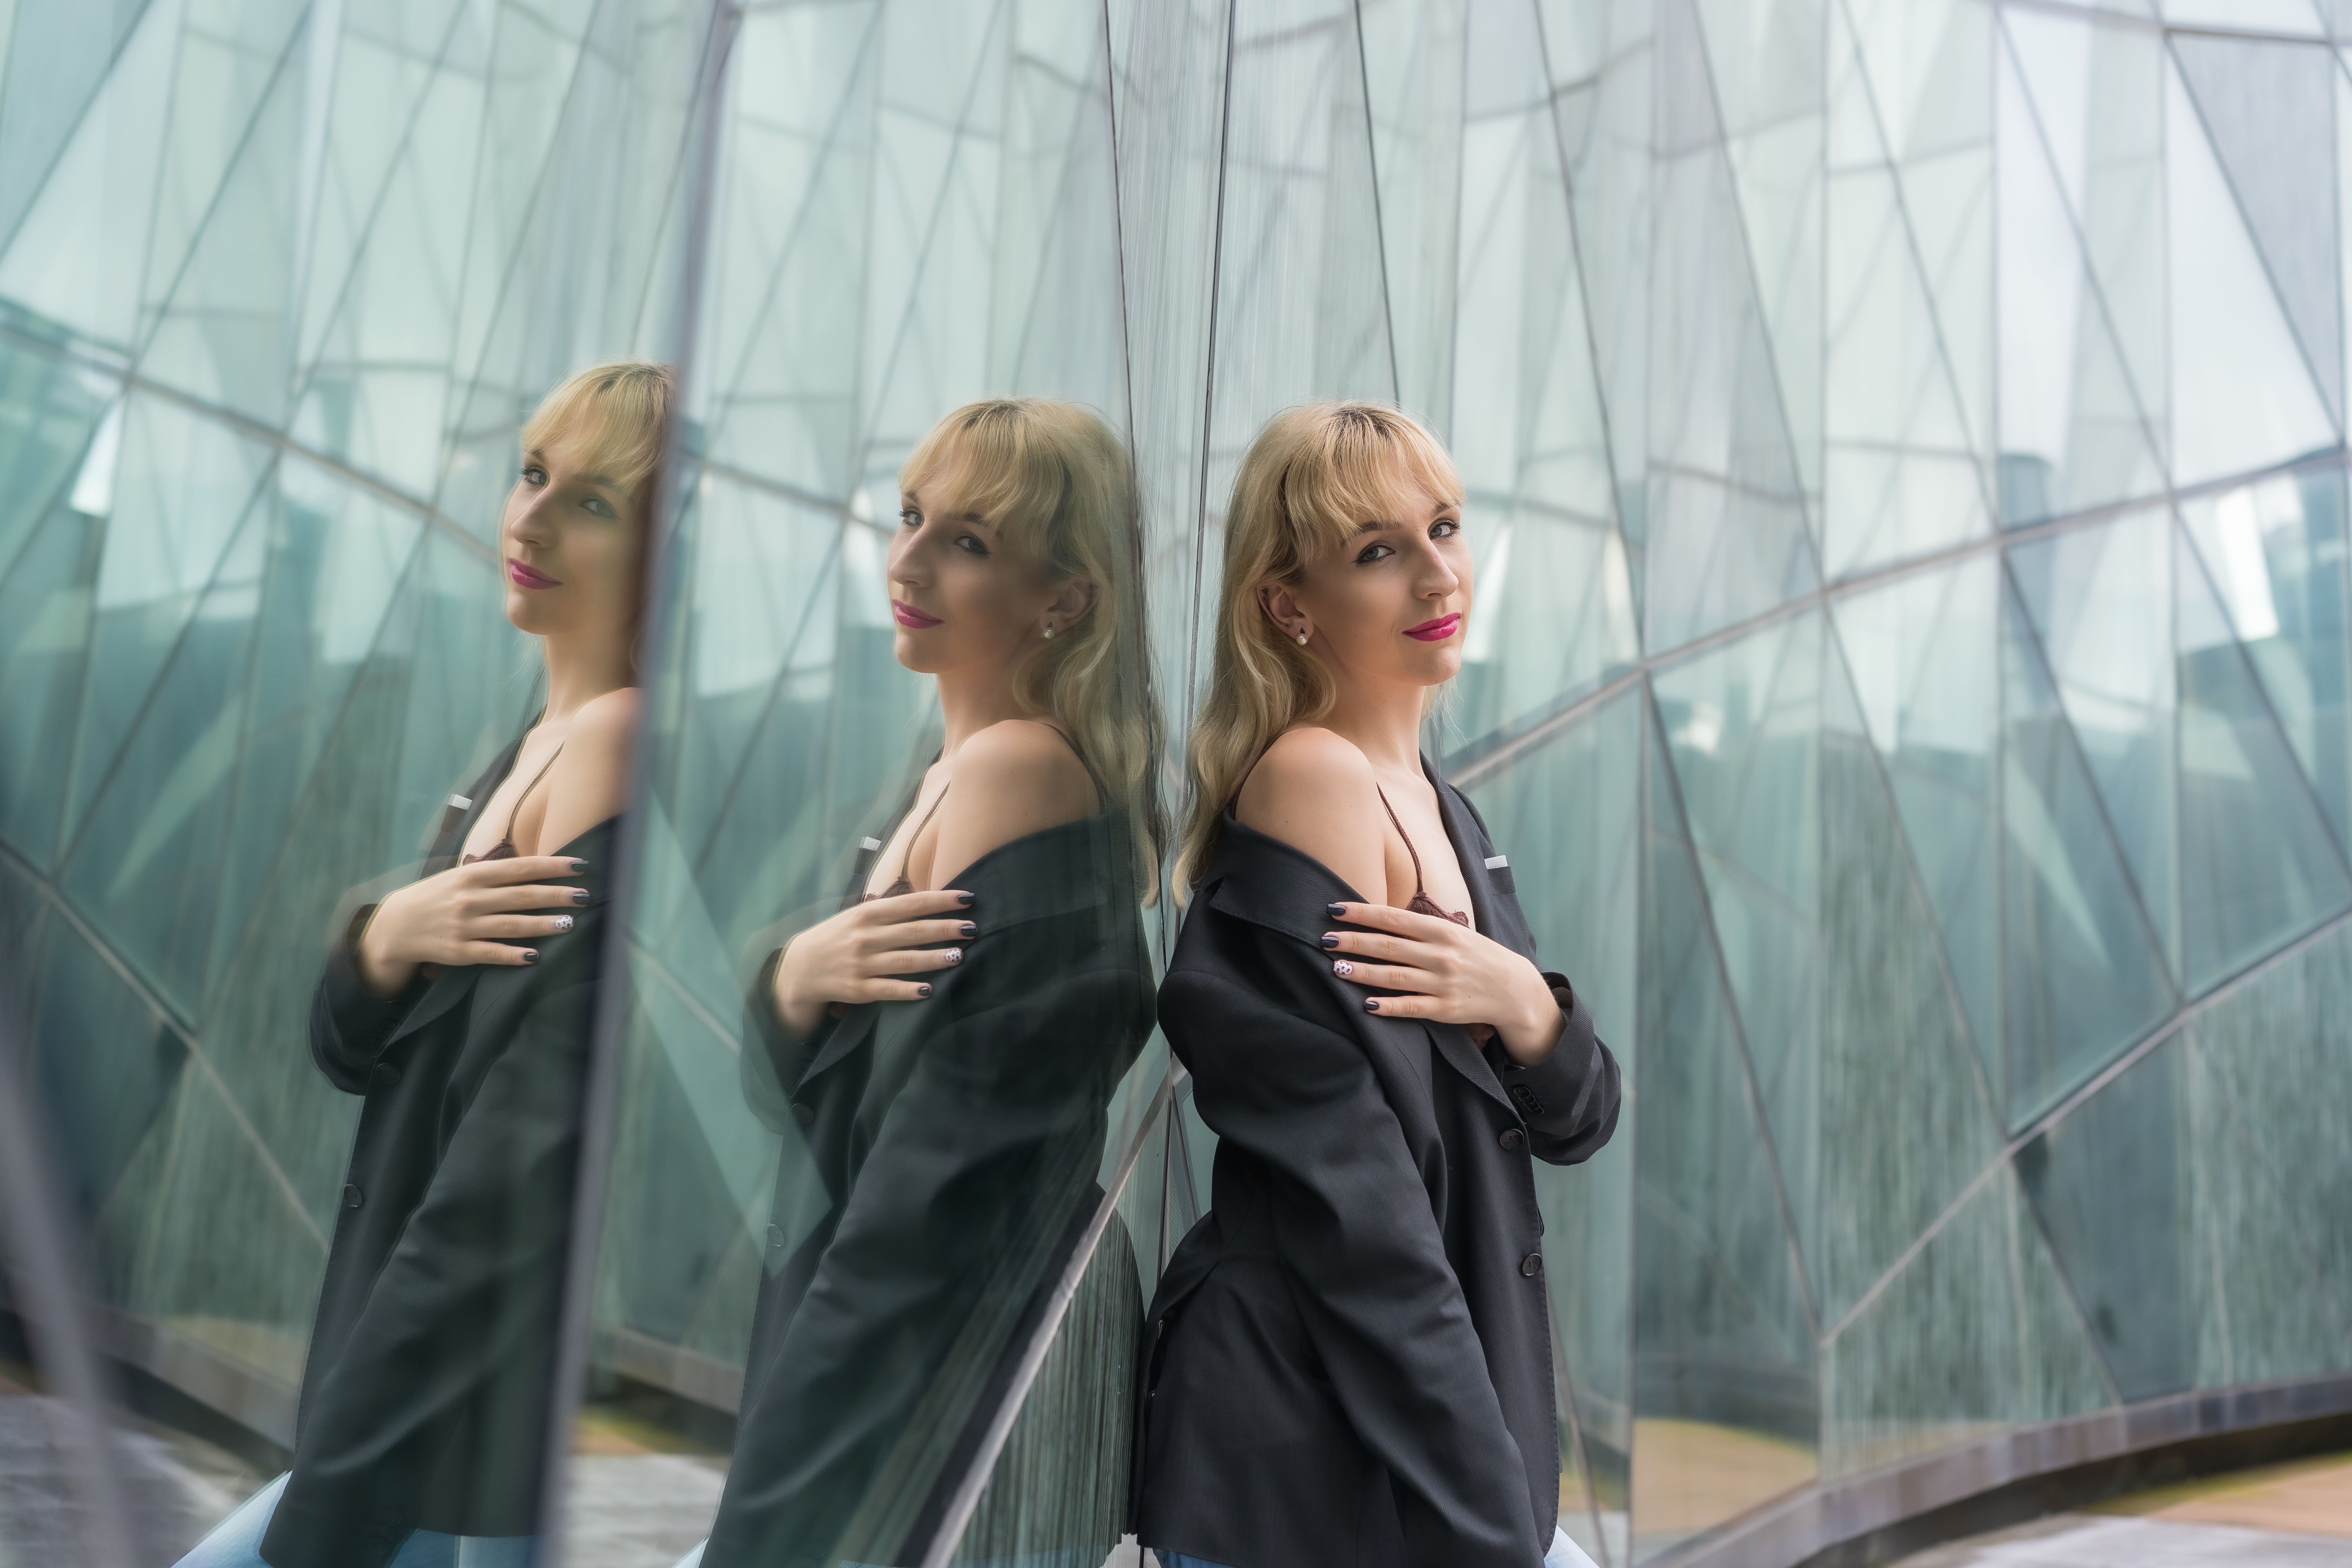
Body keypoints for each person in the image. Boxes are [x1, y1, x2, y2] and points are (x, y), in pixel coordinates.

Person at [174, 361, 673, 1568]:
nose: (530, 521)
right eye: (533, 475)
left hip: (438, 1407)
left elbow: (512, 1158)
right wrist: (384, 937)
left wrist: (352, 1453)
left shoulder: (609, 742)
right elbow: (352, 1051)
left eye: (592, 504)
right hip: (423, 1399)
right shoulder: (532, 747)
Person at [1135, 402, 1621, 1568]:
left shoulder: (1444, 807)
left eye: (1443, 528)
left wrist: (1528, 1005)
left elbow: (1579, 1118)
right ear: (1287, 605)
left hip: (1403, 1443)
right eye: (1376, 551)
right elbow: (1358, 1205)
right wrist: (1487, 1531)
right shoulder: (1316, 779)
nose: (1436, 574)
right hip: (1303, 1456)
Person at [691, 398, 1160, 1568]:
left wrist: (769, 1510)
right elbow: (832, 1109)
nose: (907, 562)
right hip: (904, 1358)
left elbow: (928, 1199)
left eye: (968, 542)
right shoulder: (949, 770)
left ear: (1067, 599)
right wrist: (793, 977)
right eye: (911, 517)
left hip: (924, 1381)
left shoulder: (1018, 770)